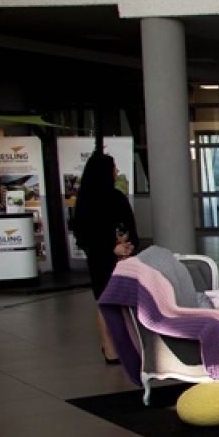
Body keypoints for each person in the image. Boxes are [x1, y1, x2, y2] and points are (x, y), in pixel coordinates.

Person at [71, 152, 138, 363]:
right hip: (102, 260)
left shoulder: (116, 197)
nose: (117, 171)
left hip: (123, 258)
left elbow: (130, 224)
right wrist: (111, 247)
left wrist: (129, 245)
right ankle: (109, 348)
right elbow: (85, 234)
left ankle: (127, 345)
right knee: (105, 302)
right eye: (113, 167)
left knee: (124, 302)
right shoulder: (87, 201)